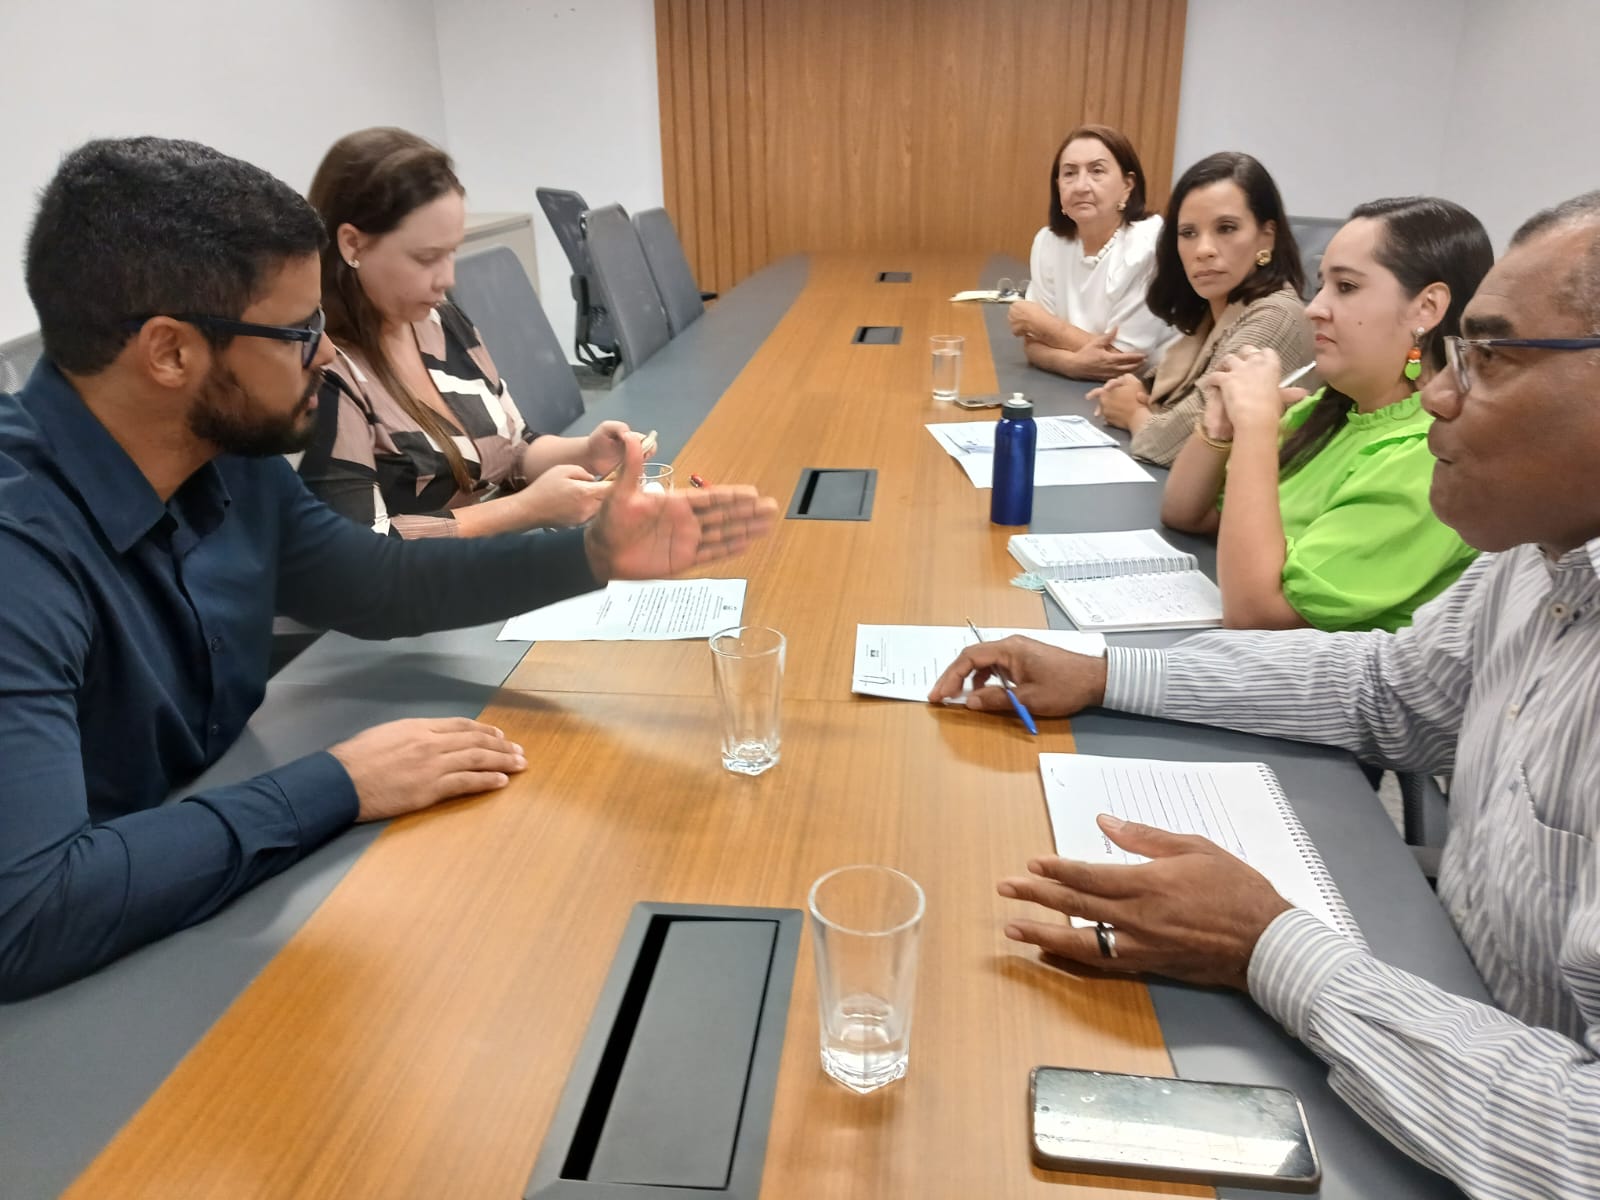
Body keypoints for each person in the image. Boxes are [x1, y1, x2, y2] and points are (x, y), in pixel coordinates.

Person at [930, 192, 1600, 1198]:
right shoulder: (1536, 559)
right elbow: (1386, 687)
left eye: (1490, 358)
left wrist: (1263, 945)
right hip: (1426, 1015)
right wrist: (1109, 671)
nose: (1436, 395)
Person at [0, 137, 776, 1000]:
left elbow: (373, 584)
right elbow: (31, 913)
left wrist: (592, 555)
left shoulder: (222, 453)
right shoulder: (19, 552)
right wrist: (340, 783)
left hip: (198, 880)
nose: (328, 357)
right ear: (171, 353)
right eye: (300, 334)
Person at [1158, 198, 1491, 631]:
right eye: (1322, 286)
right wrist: (1221, 425)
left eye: (1346, 287)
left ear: (1426, 308)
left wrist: (1257, 425)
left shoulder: (1432, 456)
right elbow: (1188, 513)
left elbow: (1257, 616)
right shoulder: (1332, 409)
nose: (1314, 308)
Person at [299, 127, 631, 537]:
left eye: (452, 252)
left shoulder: (441, 322)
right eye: (426, 257)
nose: (447, 279)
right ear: (353, 245)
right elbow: (362, 544)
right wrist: (526, 509)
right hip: (431, 578)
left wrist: (587, 452)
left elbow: (514, 447)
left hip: (493, 559)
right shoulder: (324, 371)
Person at [1090, 152, 1312, 467]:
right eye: (1188, 233)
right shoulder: (1217, 310)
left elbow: (1177, 444)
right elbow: (1168, 393)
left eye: (1226, 228)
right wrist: (1136, 391)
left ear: (1267, 237)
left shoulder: (1276, 315)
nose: (1203, 250)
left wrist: (1132, 413)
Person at [1006, 124, 1176, 380]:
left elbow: (1124, 361)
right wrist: (1071, 365)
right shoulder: (1048, 242)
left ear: (1127, 185)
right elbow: (1033, 345)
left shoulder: (1149, 244)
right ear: (1058, 186)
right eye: (1069, 173)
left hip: (1152, 391)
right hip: (1074, 388)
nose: (1081, 186)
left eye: (1097, 171)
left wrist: (1045, 326)